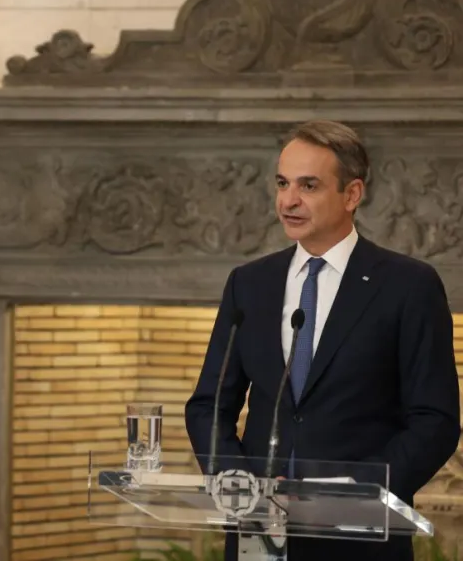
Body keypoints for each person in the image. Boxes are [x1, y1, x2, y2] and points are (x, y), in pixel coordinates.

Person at [185, 120, 460, 561]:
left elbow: (436, 420)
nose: (288, 201)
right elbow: (208, 405)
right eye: (282, 183)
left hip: (360, 537)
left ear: (352, 194)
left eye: (308, 186)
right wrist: (233, 477)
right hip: (260, 535)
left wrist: (363, 489)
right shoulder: (249, 283)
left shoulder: (409, 286)